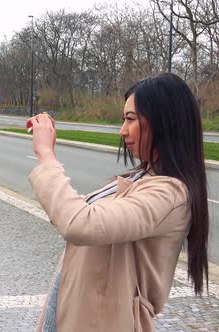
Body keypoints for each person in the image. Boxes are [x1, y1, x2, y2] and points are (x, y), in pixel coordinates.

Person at [27, 73, 209, 331]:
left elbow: (79, 223)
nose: (123, 131)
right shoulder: (141, 176)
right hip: (77, 314)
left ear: (165, 122)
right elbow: (78, 212)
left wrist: (46, 155)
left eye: (130, 119)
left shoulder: (170, 194)